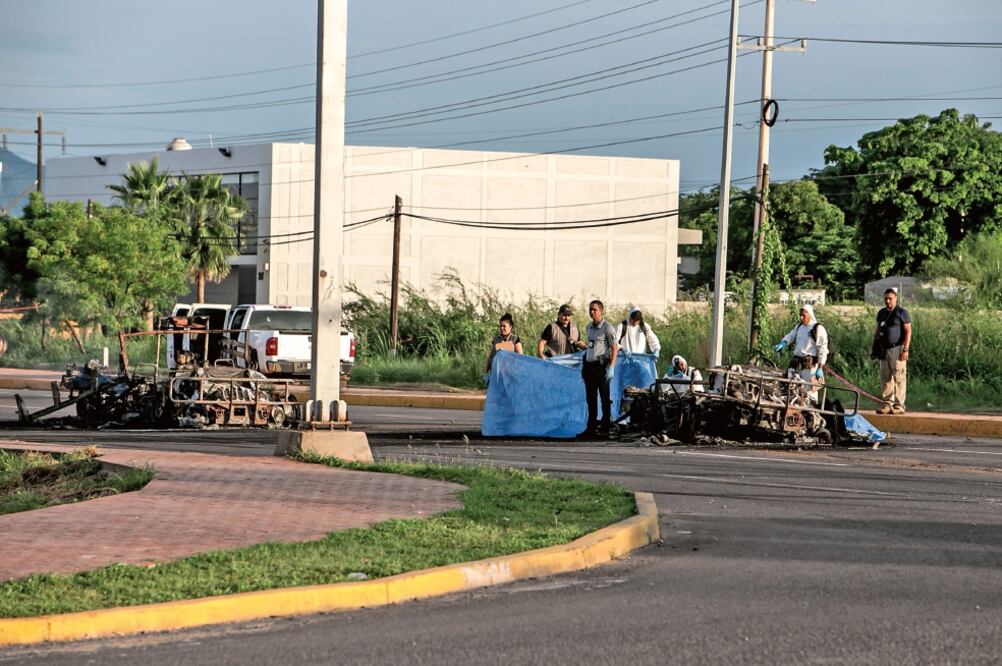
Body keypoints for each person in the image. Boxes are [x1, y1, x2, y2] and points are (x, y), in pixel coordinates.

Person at [773, 304, 829, 400]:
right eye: (800, 315)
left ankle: (810, 411)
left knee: (809, 392)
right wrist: (783, 342)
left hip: (809, 366)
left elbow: (823, 349)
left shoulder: (817, 328)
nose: (801, 317)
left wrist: (820, 367)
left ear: (809, 314)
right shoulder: (799, 327)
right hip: (796, 363)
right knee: (792, 388)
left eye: (803, 315)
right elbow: (791, 335)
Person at [580, 299, 618, 438]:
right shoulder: (589, 327)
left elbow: (614, 348)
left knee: (604, 398)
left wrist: (611, 367)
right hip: (590, 366)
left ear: (601, 311)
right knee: (591, 399)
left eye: (595, 309)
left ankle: (605, 428)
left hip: (602, 366)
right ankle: (591, 428)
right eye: (590, 309)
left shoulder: (607, 328)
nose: (592, 312)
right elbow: (591, 346)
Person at [871, 288, 912, 414]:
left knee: (899, 376)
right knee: (885, 377)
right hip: (884, 348)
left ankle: (899, 405)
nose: (888, 301)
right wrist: (873, 347)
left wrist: (905, 349)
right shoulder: (882, 313)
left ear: (895, 298)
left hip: (897, 348)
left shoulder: (901, 312)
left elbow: (908, 331)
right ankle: (887, 403)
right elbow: (877, 331)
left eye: (890, 298)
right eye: (886, 299)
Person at [484, 312, 523, 377]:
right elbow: (491, 356)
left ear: (510, 327)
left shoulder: (515, 339)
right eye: (500, 326)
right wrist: (486, 372)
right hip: (496, 373)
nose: (502, 328)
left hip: (510, 373)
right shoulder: (496, 339)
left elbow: (520, 358)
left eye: (504, 326)